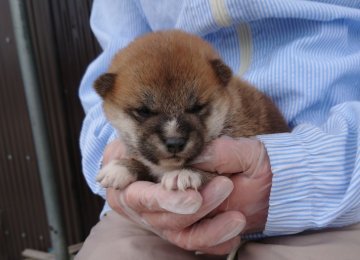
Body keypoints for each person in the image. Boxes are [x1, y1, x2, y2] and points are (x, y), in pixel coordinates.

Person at [76, 0, 360, 259]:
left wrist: (312, 171)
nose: (173, 136)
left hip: (338, 203)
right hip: (153, 222)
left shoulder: (239, 105)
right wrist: (117, 158)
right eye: (144, 113)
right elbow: (105, 85)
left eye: (198, 109)